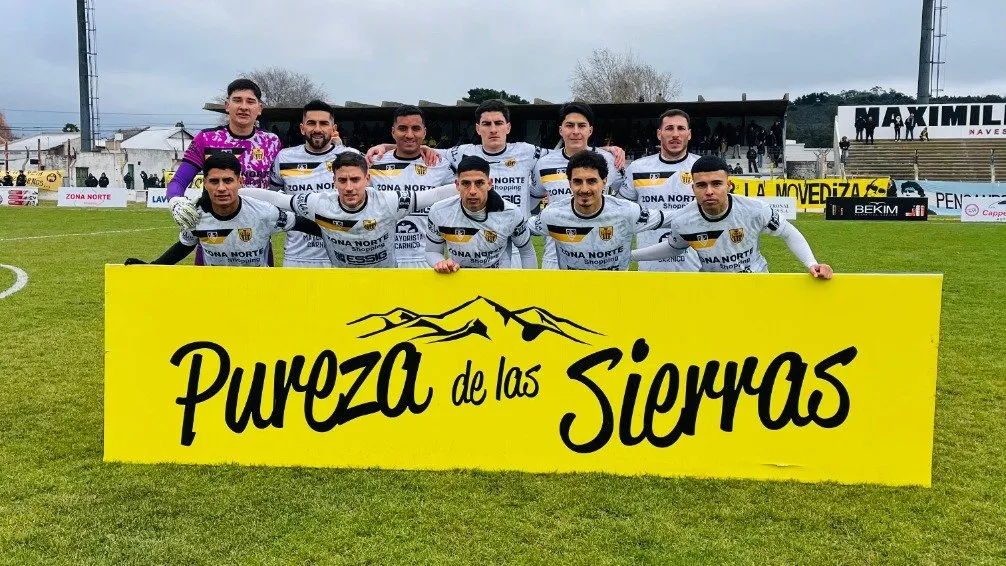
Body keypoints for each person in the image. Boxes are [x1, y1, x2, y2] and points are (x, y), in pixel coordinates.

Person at [367, 99, 626, 268]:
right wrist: (386, 146)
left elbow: (571, 152)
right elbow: (414, 147)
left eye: (498, 123)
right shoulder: (461, 153)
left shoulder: (529, 152)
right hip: (477, 245)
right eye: (487, 124)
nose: (493, 129)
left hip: (516, 245)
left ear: (508, 127)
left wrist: (605, 149)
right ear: (477, 128)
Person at [239, 152, 456, 268]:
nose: (349, 187)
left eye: (355, 179)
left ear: (367, 179)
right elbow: (278, 199)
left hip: (385, 280)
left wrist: (465, 188)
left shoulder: (389, 202)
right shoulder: (318, 204)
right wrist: (235, 192)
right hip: (342, 281)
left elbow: (434, 195)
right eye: (342, 180)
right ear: (333, 181)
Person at [631, 156, 833, 278]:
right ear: (693, 189)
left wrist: (811, 263)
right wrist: (630, 255)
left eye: (716, 184)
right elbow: (673, 247)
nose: (709, 191)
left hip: (756, 283)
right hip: (715, 289)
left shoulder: (755, 209)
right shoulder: (683, 220)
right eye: (701, 185)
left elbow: (788, 232)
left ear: (728, 185)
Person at [124, 153, 321, 267]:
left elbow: (305, 225)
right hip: (215, 291)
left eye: (228, 181)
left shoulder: (264, 212)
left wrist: (337, 235)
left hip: (257, 291)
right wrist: (151, 268)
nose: (221, 188)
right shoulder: (196, 215)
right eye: (214, 181)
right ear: (204, 183)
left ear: (240, 182)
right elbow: (184, 245)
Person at [168, 78, 283, 264]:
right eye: (237, 100)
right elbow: (179, 181)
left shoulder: (272, 142)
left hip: (257, 238)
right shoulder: (206, 138)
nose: (244, 107)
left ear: (260, 108)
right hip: (213, 238)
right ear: (227, 105)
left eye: (250, 101)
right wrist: (175, 200)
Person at [529, 151, 670, 271]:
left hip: (615, 292)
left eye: (592, 181)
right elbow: (521, 229)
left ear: (604, 181)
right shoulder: (553, 215)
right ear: (570, 183)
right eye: (577, 181)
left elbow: (673, 220)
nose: (584, 189)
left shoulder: (626, 212)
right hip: (571, 291)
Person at [531, 102, 624, 269]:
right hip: (555, 258)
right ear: (561, 130)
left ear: (590, 130)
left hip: (599, 256)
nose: (575, 131)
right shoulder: (544, 164)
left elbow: (624, 197)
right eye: (569, 125)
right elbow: (532, 199)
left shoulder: (610, 160)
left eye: (581, 126)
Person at [268, 100, 360, 268]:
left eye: (324, 123)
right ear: (302, 128)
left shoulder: (351, 156)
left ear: (333, 128)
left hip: (342, 256)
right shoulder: (284, 158)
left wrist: (387, 146)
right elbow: (272, 199)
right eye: (311, 123)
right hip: (297, 257)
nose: (317, 129)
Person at [369, 105, 456, 268]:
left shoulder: (440, 164)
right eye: (402, 128)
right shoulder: (374, 163)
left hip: (427, 261)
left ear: (424, 132)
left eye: (416, 128)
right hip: (384, 261)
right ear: (393, 132)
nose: (409, 135)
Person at [617, 108, 702, 272]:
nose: (675, 134)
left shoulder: (702, 168)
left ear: (689, 134)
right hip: (649, 270)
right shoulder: (638, 168)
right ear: (659, 134)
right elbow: (621, 213)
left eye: (681, 128)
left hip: (695, 271)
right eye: (669, 128)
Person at [426, 155, 536, 272]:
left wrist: (531, 282)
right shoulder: (439, 211)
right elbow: (432, 251)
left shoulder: (510, 213)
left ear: (489, 184)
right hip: (458, 278)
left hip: (498, 279)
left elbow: (527, 252)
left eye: (479, 183)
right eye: (466, 183)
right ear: (457, 185)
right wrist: (441, 262)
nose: (472, 191)